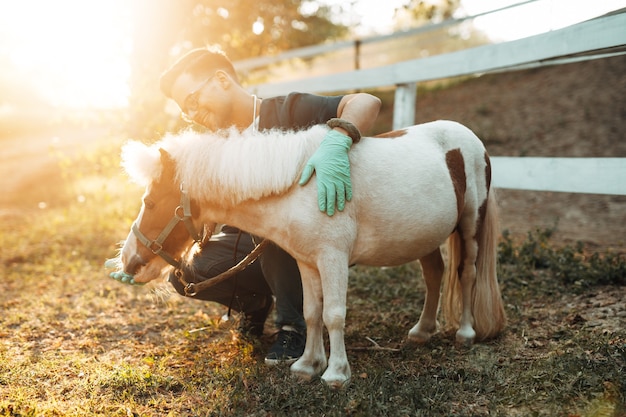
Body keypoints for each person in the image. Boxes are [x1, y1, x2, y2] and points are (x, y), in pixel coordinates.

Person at [158, 46, 381, 365]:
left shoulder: (289, 110)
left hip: (308, 237)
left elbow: (365, 102)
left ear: (220, 80)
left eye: (193, 101)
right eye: (185, 111)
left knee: (276, 228)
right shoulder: (217, 146)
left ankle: (294, 326)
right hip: (250, 245)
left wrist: (337, 140)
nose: (193, 115)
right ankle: (254, 303)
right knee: (186, 273)